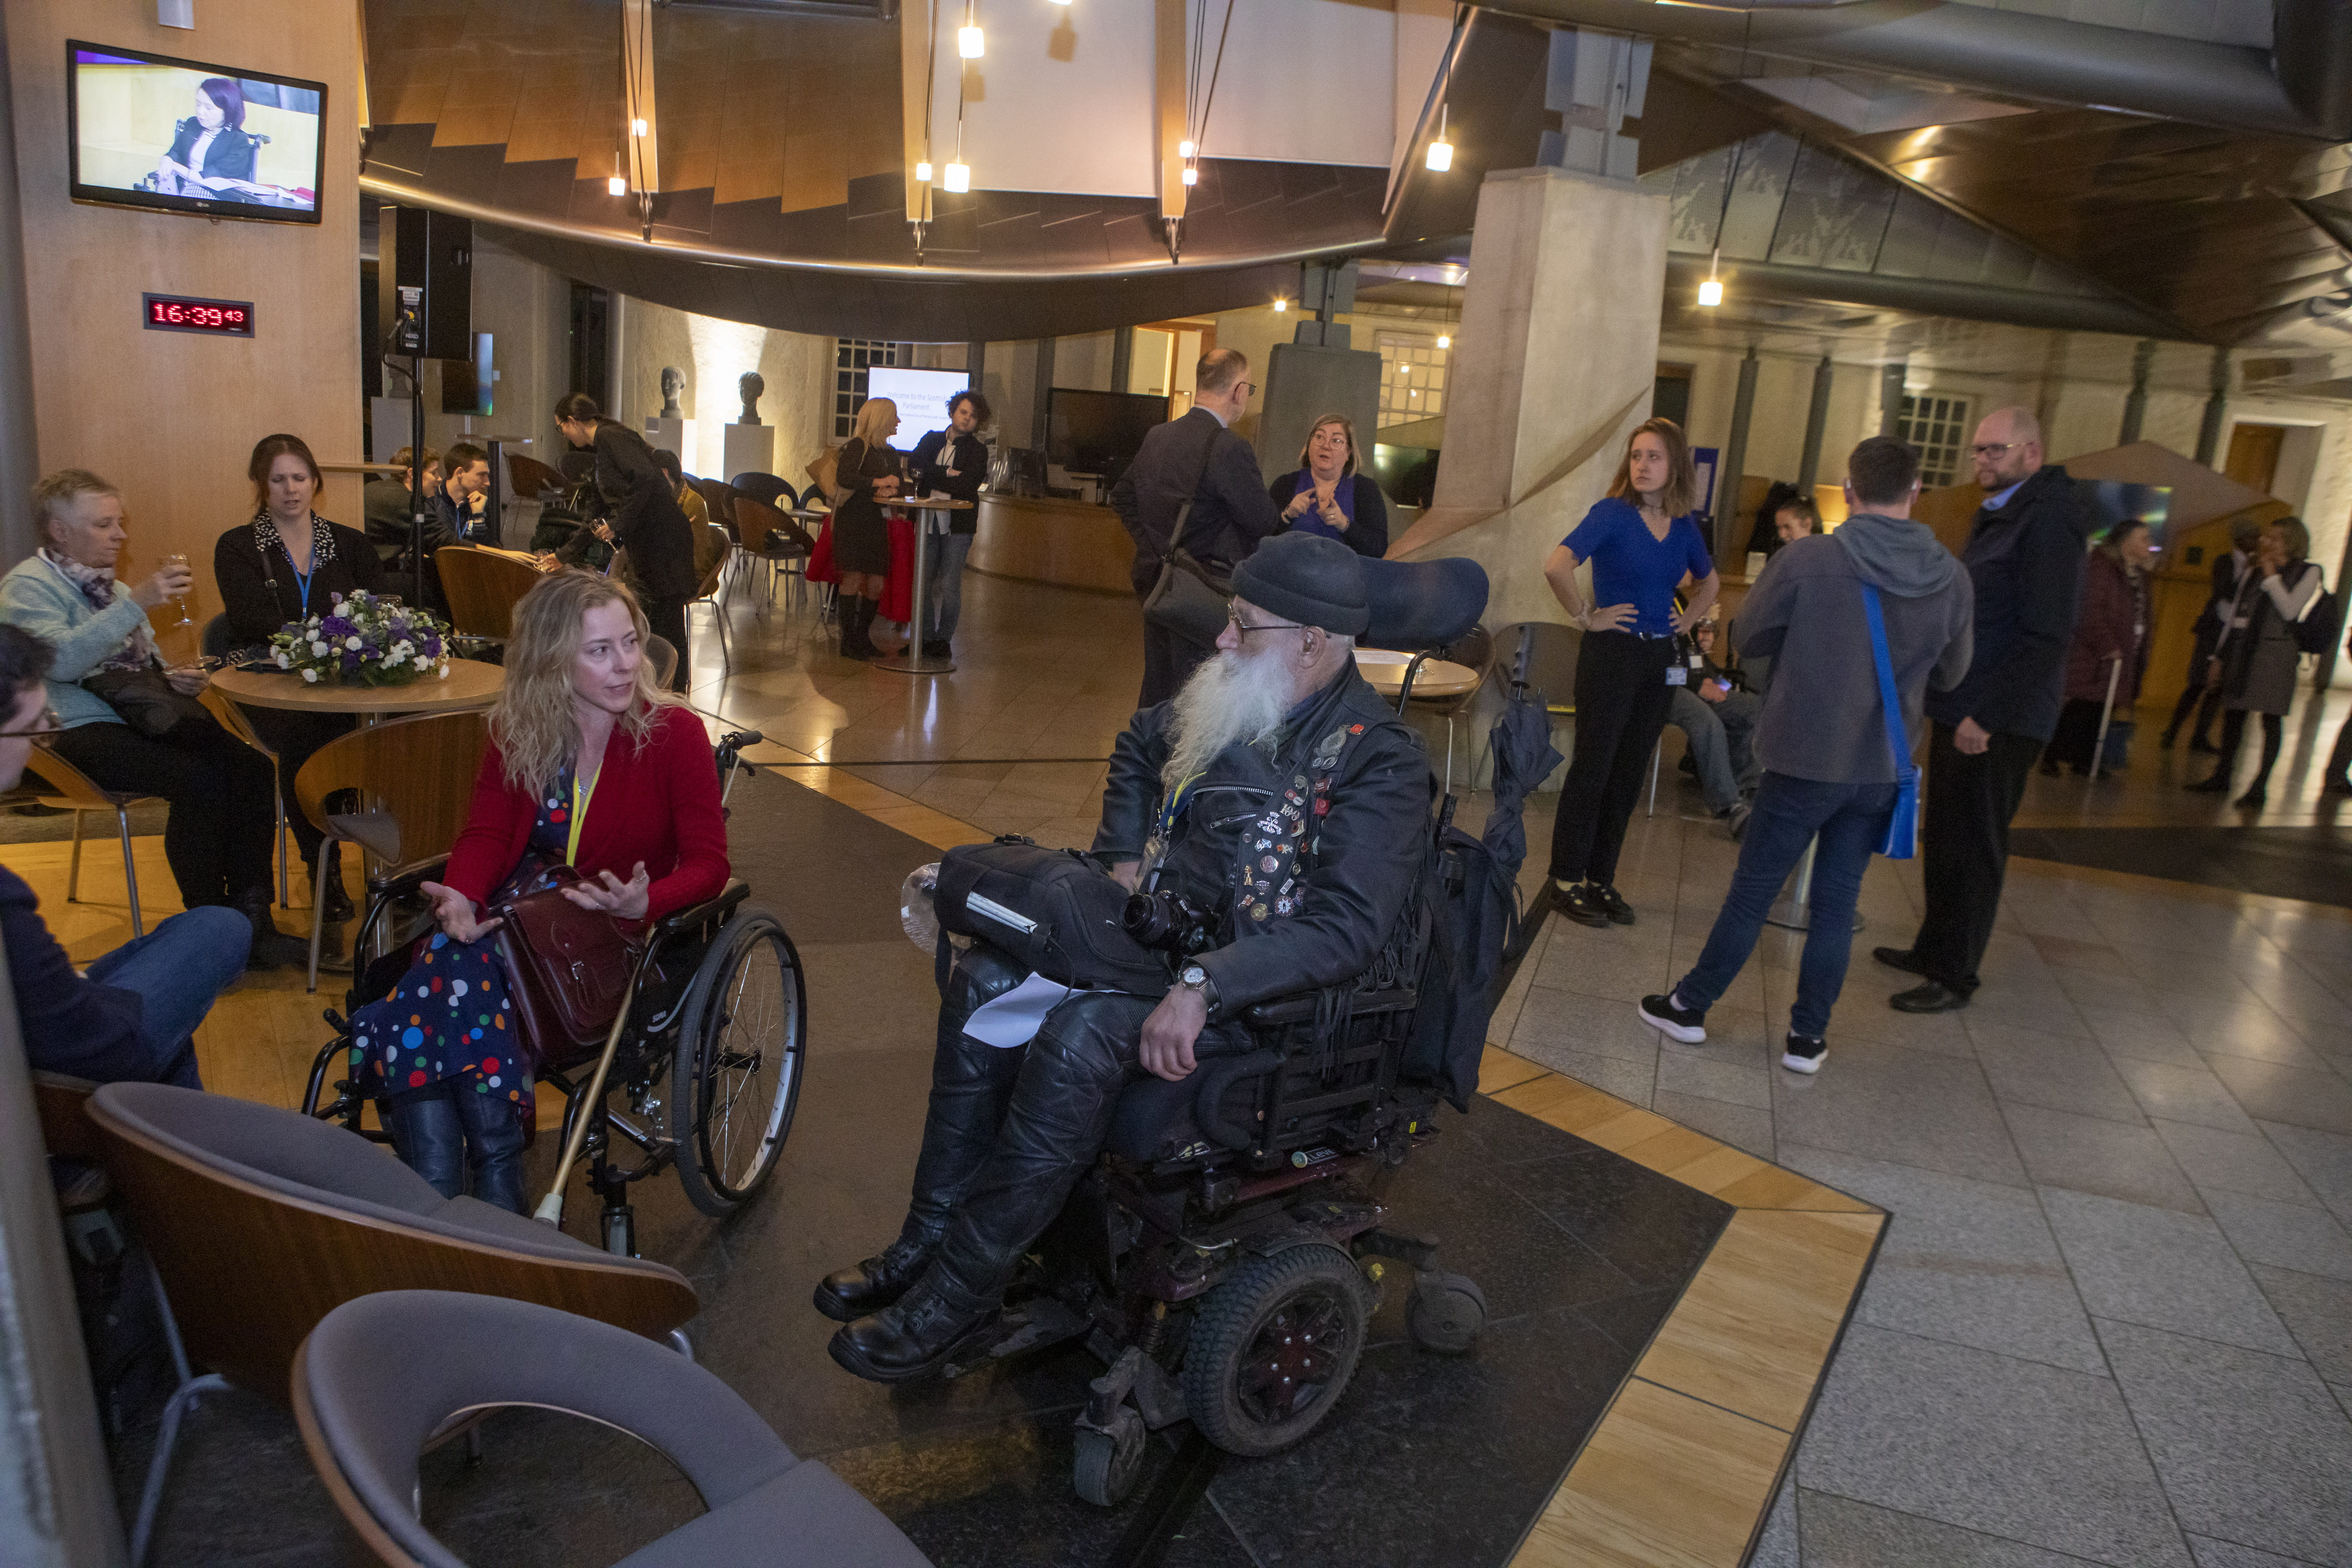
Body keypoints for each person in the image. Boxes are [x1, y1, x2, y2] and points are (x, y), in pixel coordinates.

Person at [820, 534, 1428, 1381]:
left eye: (1243, 627)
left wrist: (1206, 983)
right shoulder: (1242, 696)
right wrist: (1119, 858)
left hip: (1269, 1004)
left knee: (1084, 1032)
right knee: (986, 979)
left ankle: (960, 1298)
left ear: (1312, 643)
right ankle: (927, 1243)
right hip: (1166, 949)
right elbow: (1141, 746)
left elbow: (1346, 931)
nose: (1222, 642)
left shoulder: (1377, 760)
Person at [342, 570, 729, 1211]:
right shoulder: (519, 730)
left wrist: (646, 901)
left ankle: (438, 1205)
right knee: (459, 970)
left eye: (630, 643)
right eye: (599, 650)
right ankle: (491, 1199)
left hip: (615, 944)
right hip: (525, 930)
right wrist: (463, 895)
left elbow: (711, 866)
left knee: (428, 999)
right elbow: (489, 834)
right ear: (551, 659)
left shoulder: (673, 736)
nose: (625, 665)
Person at [1638, 438, 1973, 1075]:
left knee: (1752, 893)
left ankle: (1689, 1008)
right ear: (1917, 491)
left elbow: (1749, 635)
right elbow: (1955, 673)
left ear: (1849, 491)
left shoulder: (1812, 558)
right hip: (1881, 765)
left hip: (1803, 755)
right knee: (1837, 903)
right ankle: (1807, 1040)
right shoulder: (1952, 576)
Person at [0, 469, 303, 968]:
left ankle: (253, 919)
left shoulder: (113, 590)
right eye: (105, 525)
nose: (121, 535)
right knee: (200, 783)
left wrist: (177, 679)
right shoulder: (28, 588)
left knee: (252, 769)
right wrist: (136, 601)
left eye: (120, 523)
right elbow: (59, 663)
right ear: (59, 531)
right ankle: (206, 928)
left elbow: (146, 671)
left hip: (138, 720)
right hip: (71, 731)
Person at [1875, 407, 2087, 1014]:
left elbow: (2047, 635)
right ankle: (1931, 948)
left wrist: (1988, 717)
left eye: (1996, 451)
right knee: (1945, 832)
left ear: (2031, 454)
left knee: (1976, 843)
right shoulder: (2003, 514)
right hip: (1966, 704)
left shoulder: (2048, 522)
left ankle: (1955, 973)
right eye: (1978, 452)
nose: (1983, 461)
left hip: (1999, 718)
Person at [0, 626, 250, 1087]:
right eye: (33, 727)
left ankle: (161, 1146)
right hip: (86, 1054)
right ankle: (160, 1143)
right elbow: (80, 1036)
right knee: (220, 926)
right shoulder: (6, 895)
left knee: (176, 970)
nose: (41, 741)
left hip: (49, 1022)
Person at [1543, 417, 1719, 929]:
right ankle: (1566, 878)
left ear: (1675, 466)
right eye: (1637, 456)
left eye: (1655, 457)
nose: (1643, 466)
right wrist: (1585, 616)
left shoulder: (1685, 526)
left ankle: (1601, 878)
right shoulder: (1612, 514)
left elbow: (1708, 584)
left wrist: (1687, 619)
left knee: (1630, 773)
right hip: (1612, 655)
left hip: (1659, 659)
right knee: (1594, 769)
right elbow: (1557, 565)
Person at [214, 433, 391, 921]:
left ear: (315, 481)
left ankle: (406, 866)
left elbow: (382, 608)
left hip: (348, 683)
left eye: (299, 478)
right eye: (278, 479)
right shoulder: (239, 547)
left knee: (406, 724)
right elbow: (252, 623)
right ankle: (323, 866)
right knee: (308, 734)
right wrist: (325, 642)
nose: (290, 489)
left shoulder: (350, 543)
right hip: (273, 684)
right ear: (261, 485)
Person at [1110, 349, 1282, 707]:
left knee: (1158, 688)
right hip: (1207, 590)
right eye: (1248, 390)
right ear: (1237, 391)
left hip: (1158, 583)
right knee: (1199, 698)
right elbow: (1264, 522)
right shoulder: (1229, 447)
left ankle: (1144, 761)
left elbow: (1122, 497)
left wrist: (1159, 549)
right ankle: (1184, 764)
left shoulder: (1158, 435)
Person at [553, 394, 695, 691]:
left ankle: (675, 699)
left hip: (664, 541)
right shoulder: (603, 447)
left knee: (667, 624)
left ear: (572, 421)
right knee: (655, 621)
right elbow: (596, 511)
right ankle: (660, 694)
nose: (563, 434)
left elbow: (648, 480)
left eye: (561, 427)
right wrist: (564, 555)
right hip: (652, 541)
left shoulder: (610, 437)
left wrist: (618, 525)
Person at [2188, 516, 2326, 807]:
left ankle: (2259, 785)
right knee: (2234, 715)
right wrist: (2218, 657)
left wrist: (2272, 576)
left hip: (2277, 655)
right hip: (2243, 650)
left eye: (2275, 539)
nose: (2267, 543)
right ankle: (2222, 776)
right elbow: (2235, 616)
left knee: (2270, 718)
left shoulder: (2309, 572)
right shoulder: (2253, 572)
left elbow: (2290, 610)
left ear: (2291, 542)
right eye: (2267, 538)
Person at [2042, 519, 2152, 777]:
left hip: (2125, 649)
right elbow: (2089, 610)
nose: (2149, 544)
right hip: (2096, 653)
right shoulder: (2101, 567)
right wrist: (2108, 645)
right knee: (2083, 705)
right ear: (2126, 543)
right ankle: (2054, 755)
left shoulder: (2137, 572)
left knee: (2103, 708)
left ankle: (2086, 759)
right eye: (2144, 539)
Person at [2161, 516, 2259, 754]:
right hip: (2213, 630)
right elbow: (2226, 592)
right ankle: (2172, 731)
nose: (2256, 541)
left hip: (2234, 632)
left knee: (2216, 688)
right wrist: (2248, 571)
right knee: (2196, 683)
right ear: (2239, 540)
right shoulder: (2224, 562)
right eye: (2252, 537)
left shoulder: (2257, 567)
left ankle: (2200, 736)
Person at [909, 390, 990, 659]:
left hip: (959, 525)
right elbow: (914, 469)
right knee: (922, 581)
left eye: (973, 417)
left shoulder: (978, 451)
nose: (967, 420)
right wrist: (947, 473)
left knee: (949, 584)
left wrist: (932, 476)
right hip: (927, 521)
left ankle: (943, 640)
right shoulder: (931, 439)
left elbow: (968, 486)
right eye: (964, 412)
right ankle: (925, 639)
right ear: (953, 412)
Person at [1666, 617, 1762, 834]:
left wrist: (1724, 687)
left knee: (1753, 709)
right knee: (1707, 719)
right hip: (1667, 686)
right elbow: (1657, 664)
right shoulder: (1655, 600)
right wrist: (1698, 685)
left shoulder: (1682, 603)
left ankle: (1748, 786)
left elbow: (1703, 667)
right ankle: (1730, 805)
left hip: (1695, 682)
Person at [830, 398, 906, 661]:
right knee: (852, 577)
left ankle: (863, 636)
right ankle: (849, 640)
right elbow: (846, 477)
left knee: (876, 582)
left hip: (876, 523)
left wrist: (892, 488)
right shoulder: (857, 447)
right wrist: (878, 482)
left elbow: (902, 485)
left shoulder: (891, 453)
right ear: (881, 419)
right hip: (853, 521)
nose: (898, 422)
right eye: (894, 417)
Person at [1267, 412, 1390, 560]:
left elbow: (1378, 549)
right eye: (1319, 437)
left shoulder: (1365, 489)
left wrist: (1344, 525)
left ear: (1348, 453)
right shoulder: (1285, 484)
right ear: (1309, 445)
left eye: (1337, 441)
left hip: (1342, 580)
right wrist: (1287, 516)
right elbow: (1261, 538)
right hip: (1289, 577)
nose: (1326, 446)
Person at [150, 78, 258, 199]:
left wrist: (174, 166)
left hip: (213, 197)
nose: (200, 112)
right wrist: (167, 160)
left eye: (208, 108)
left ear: (228, 111)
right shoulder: (193, 124)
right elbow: (176, 152)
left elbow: (208, 178)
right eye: (198, 104)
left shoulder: (237, 140)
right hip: (182, 191)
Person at [363, 446, 439, 570]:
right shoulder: (405, 500)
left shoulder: (378, 487)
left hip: (369, 570)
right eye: (434, 473)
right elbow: (442, 539)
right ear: (412, 474)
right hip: (384, 575)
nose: (439, 479)